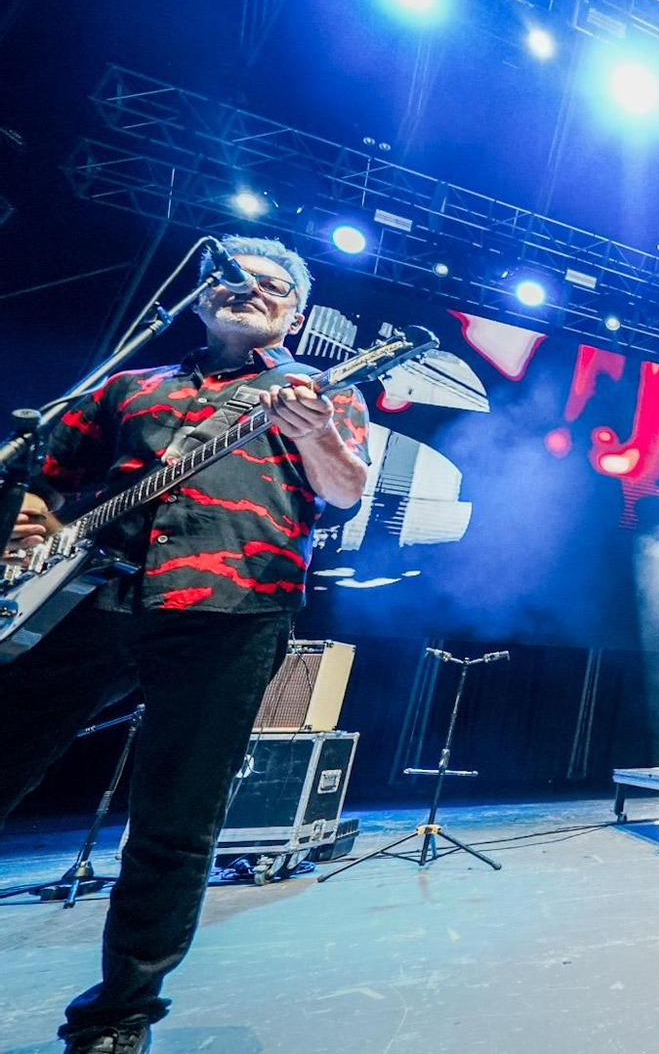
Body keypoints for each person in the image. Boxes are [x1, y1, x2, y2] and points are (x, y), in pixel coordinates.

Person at [2, 236, 369, 1054]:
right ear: (200, 297)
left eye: (271, 287)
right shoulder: (130, 387)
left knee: (175, 819)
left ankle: (118, 1014)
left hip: (232, 609)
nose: (248, 291)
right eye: (231, 281)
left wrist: (316, 436)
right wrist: (33, 520)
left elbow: (345, 491)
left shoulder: (321, 393)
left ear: (296, 316)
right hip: (88, 598)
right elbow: (41, 470)